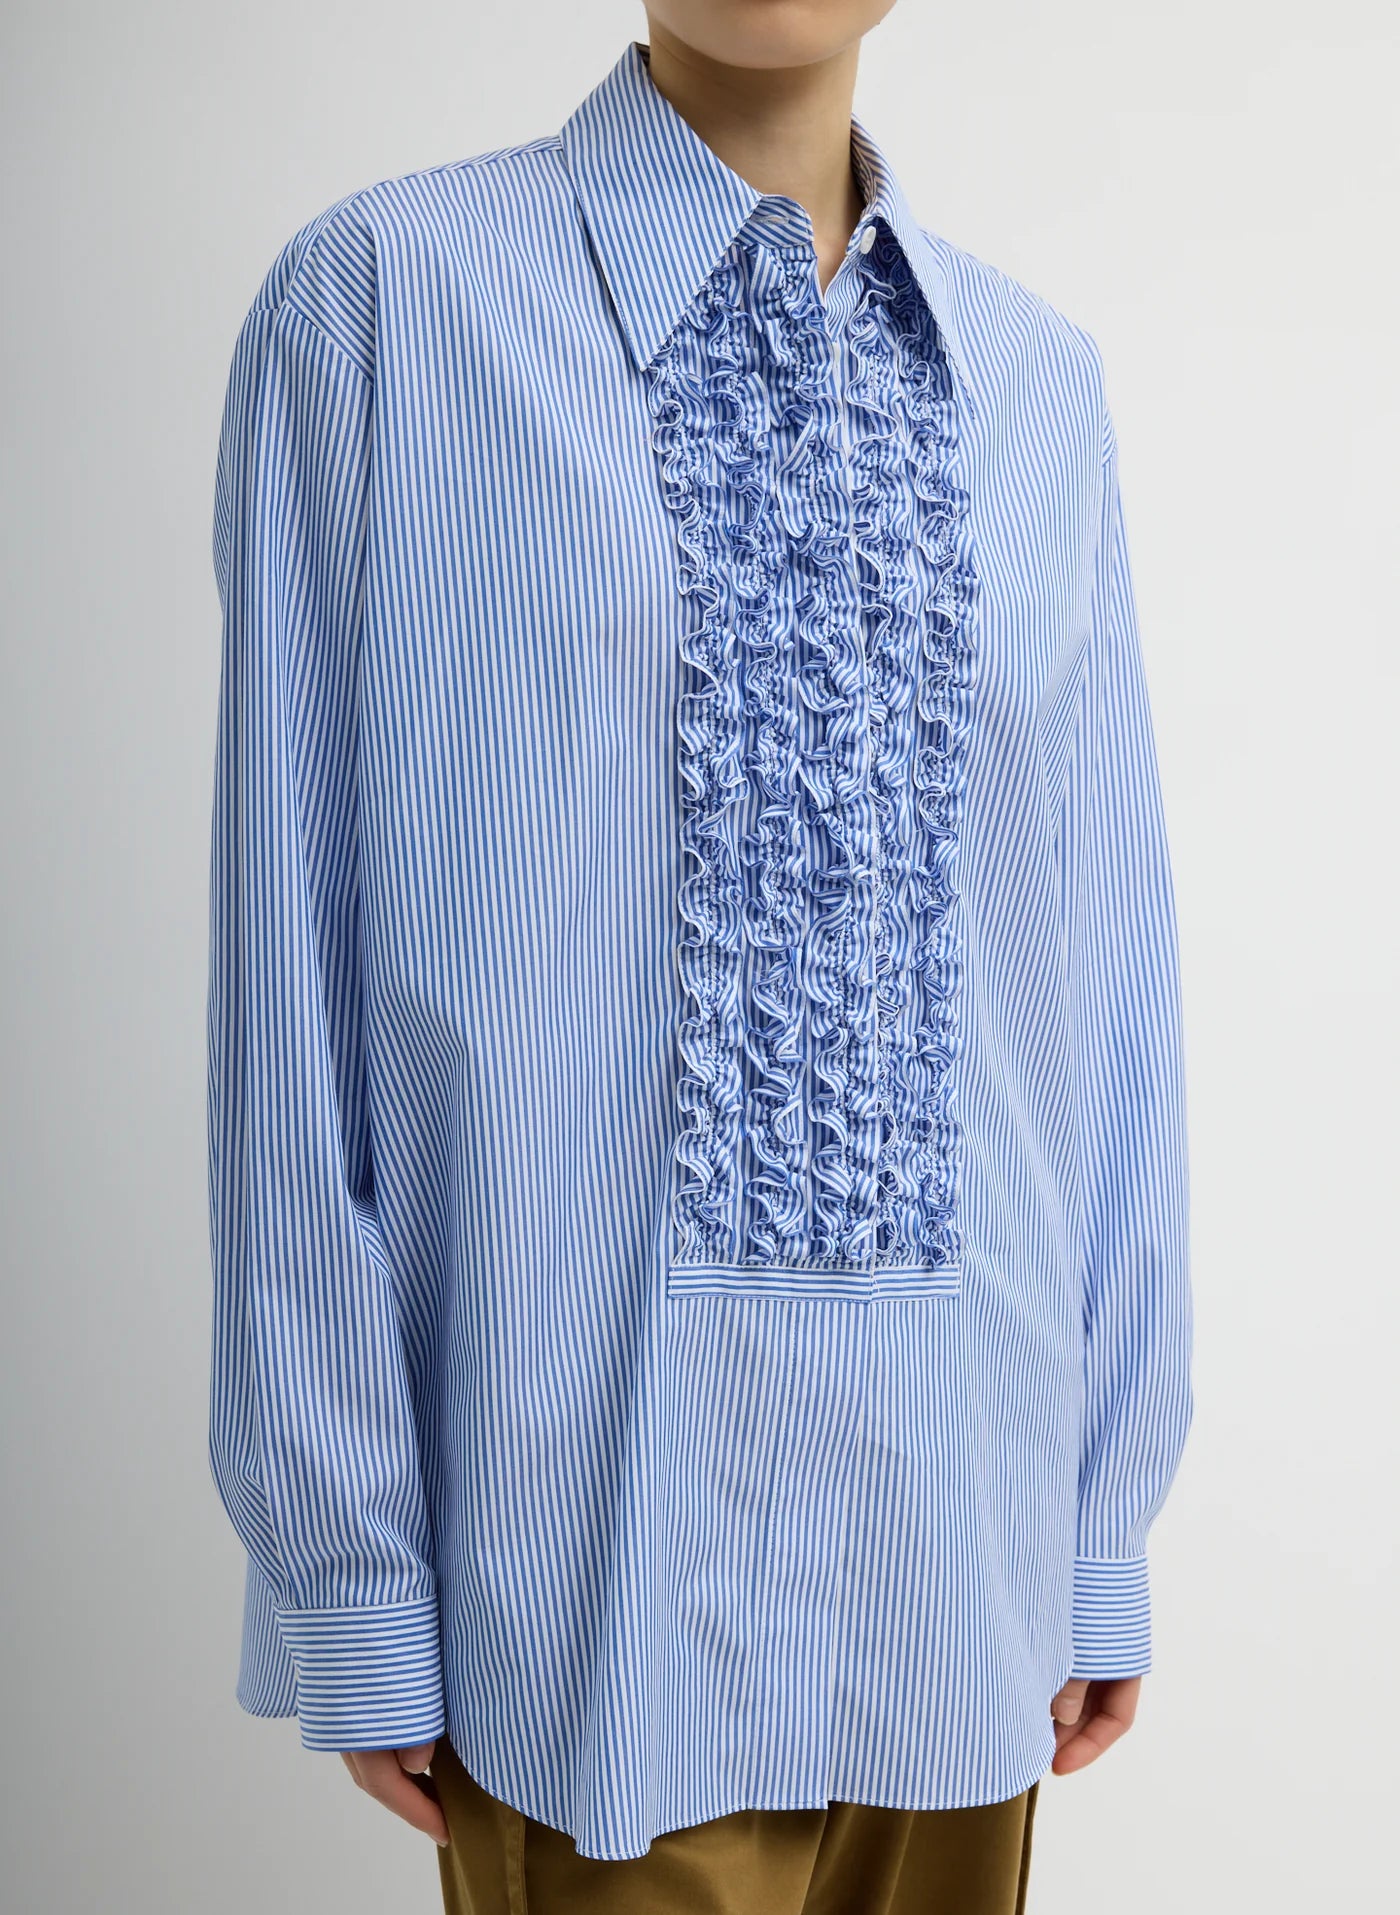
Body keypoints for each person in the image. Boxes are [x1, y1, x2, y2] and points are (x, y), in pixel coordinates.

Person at [205, 6, 1194, 1912]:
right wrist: (350, 1566)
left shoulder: (1038, 385)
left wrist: (1098, 1522)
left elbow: (1105, 992)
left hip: (962, 1580)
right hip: (587, 1594)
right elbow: (288, 979)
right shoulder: (384, 308)